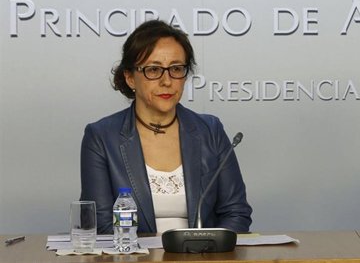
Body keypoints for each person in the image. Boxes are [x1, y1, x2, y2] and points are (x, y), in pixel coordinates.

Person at [80, 19, 252, 234]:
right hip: (133, 253)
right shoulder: (101, 137)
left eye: (176, 69)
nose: (167, 81)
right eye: (153, 70)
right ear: (130, 78)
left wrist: (203, 247)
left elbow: (236, 213)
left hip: (203, 252)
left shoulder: (210, 131)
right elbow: (102, 224)